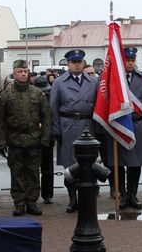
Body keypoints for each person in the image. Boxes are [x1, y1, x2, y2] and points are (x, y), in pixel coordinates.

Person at [0, 60, 51, 216]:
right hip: (14, 139)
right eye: (20, 71)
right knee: (17, 172)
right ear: (14, 73)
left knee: (33, 172)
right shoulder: (6, 94)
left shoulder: (36, 93)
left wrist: (45, 138)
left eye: (25, 71)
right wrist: (1, 142)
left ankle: (32, 201)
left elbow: (46, 116)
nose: (23, 74)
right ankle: (19, 202)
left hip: (34, 138)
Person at [50, 49, 98, 213]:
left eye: (80, 62)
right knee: (70, 166)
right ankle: (72, 199)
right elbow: (53, 108)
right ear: (68, 64)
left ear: (83, 63)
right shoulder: (59, 83)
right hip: (68, 125)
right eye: (74, 62)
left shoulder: (92, 82)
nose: (77, 64)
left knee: (89, 165)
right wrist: (56, 130)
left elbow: (98, 107)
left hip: (87, 125)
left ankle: (87, 198)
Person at [107, 47, 142, 209]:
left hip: (137, 124)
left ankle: (133, 194)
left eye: (133, 60)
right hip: (119, 125)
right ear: (122, 61)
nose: (131, 63)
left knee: (135, 163)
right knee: (119, 163)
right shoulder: (114, 79)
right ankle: (123, 195)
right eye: (127, 60)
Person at [33, 76, 54, 204]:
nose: (44, 93)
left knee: (47, 168)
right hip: (33, 137)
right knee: (33, 168)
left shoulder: (51, 97)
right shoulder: (31, 97)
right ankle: (33, 195)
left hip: (47, 136)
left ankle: (47, 194)